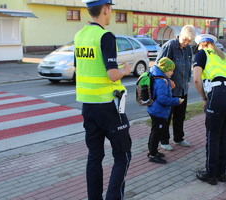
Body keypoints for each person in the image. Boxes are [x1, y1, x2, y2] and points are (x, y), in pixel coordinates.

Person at [74, 0, 132, 199]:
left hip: (88, 107)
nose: (111, 12)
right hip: (108, 106)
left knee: (95, 157)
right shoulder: (105, 36)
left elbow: (79, 66)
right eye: (111, 8)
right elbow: (112, 74)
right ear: (105, 9)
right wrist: (125, 70)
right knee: (123, 156)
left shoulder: (79, 35)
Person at [193, 34, 226, 185]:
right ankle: (222, 173)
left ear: (201, 45)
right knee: (224, 136)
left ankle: (211, 174)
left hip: (219, 95)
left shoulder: (202, 53)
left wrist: (204, 98)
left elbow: (196, 79)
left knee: (213, 136)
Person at [155, 25, 196, 151]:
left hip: (183, 88)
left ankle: (178, 138)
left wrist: (187, 80)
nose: (186, 43)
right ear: (180, 34)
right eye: (185, 39)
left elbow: (188, 66)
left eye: (189, 41)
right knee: (167, 116)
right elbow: (159, 66)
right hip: (169, 90)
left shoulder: (188, 49)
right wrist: (168, 80)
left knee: (180, 115)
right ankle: (164, 140)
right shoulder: (170, 46)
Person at [147, 57, 184, 164]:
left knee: (154, 132)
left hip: (155, 110)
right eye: (171, 70)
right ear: (165, 70)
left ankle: (152, 151)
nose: (172, 72)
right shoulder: (161, 81)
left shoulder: (159, 77)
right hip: (158, 111)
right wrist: (176, 101)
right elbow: (163, 99)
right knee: (156, 133)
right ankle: (153, 155)